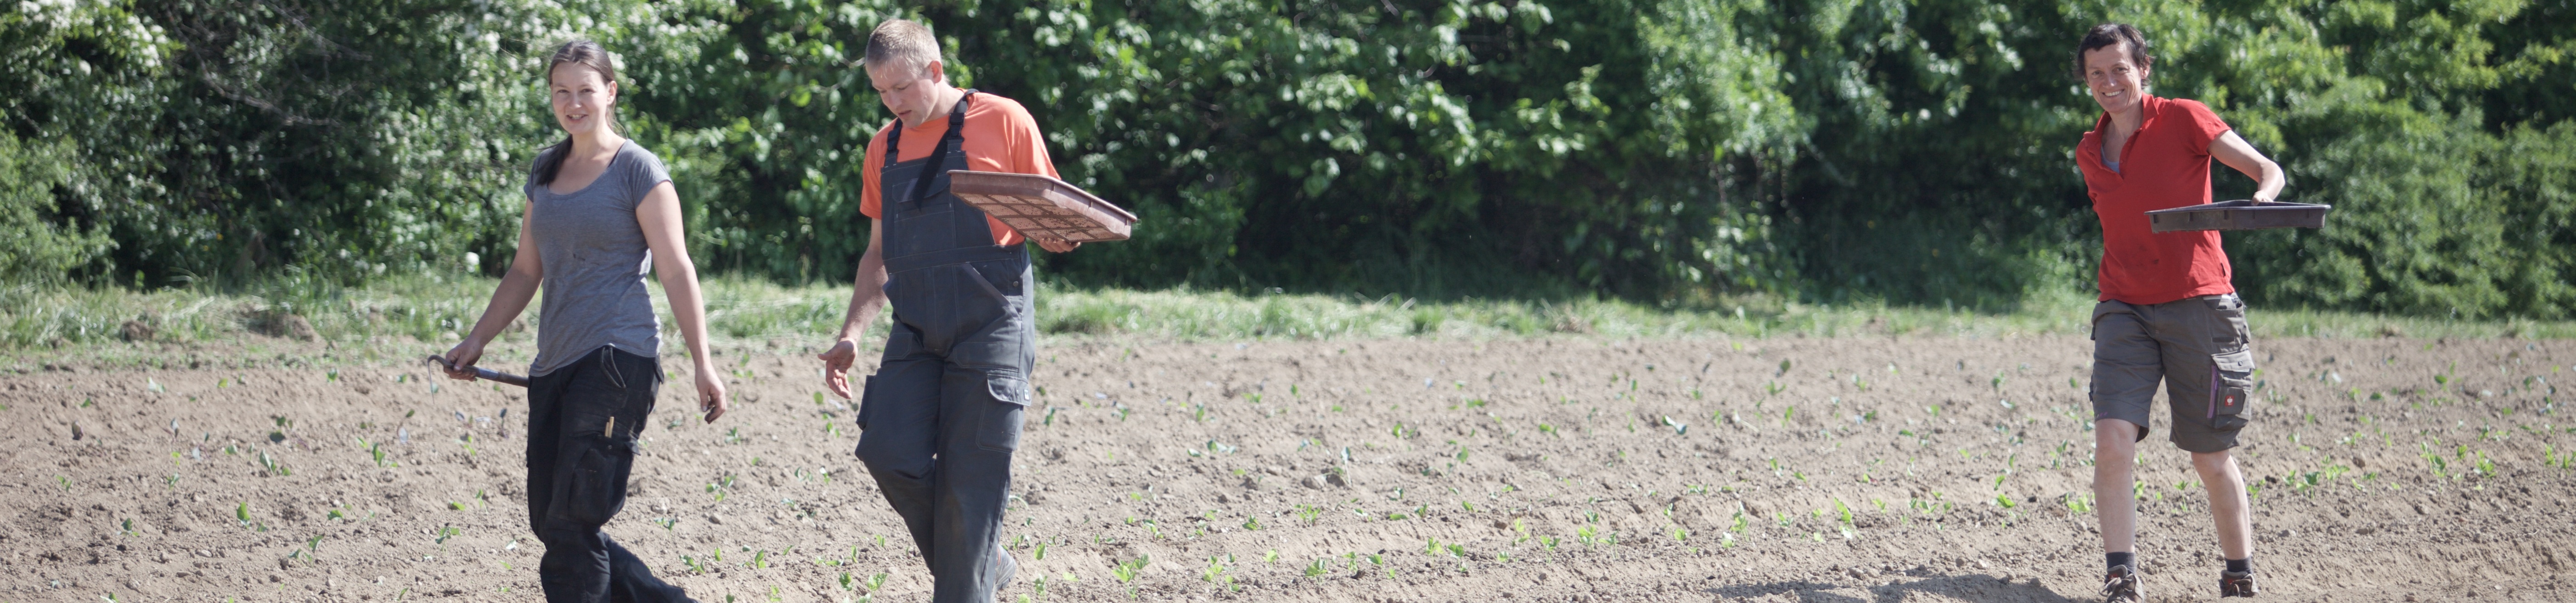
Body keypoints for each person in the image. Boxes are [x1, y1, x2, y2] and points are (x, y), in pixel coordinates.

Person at [441, 39, 727, 603]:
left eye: (586, 91)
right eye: (561, 92)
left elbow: (675, 269)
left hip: (617, 359)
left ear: (610, 92)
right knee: (552, 521)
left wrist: (703, 364)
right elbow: (526, 270)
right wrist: (476, 339)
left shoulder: (638, 170)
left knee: (572, 520)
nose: (574, 103)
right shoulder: (545, 169)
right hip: (555, 360)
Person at [815, 18, 1080, 603]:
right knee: (887, 451)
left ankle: (970, 575)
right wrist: (852, 333)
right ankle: (987, 562)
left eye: (902, 88)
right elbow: (878, 254)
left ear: (934, 71)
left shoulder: (1004, 120)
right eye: (881, 92)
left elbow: (1050, 209)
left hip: (992, 321)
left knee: (971, 487)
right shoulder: (883, 147)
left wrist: (1065, 234)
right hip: (915, 326)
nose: (892, 103)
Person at [2072, 23, 2284, 602]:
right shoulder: (2089, 152)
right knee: (2112, 441)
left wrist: (2262, 195)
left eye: (2119, 69)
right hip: (2122, 308)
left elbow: (2266, 170)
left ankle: (2238, 574)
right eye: (2096, 74)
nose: (2109, 82)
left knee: (2209, 457)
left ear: (2143, 68)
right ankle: (2121, 575)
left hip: (2200, 305)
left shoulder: (2185, 118)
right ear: (2086, 82)